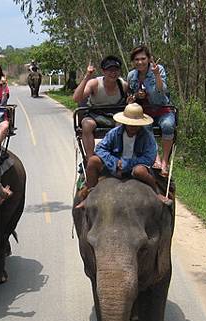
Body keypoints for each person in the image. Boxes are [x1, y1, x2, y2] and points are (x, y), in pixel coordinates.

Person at [76, 103, 171, 208]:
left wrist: (128, 163)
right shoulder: (114, 133)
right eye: (130, 124)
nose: (133, 127)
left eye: (136, 124)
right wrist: (114, 161)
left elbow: (149, 157)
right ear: (125, 123)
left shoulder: (147, 137)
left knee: (140, 171)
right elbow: (100, 149)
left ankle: (156, 192)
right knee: (93, 161)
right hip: (114, 166)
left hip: (136, 167)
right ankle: (90, 195)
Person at [126, 45, 175, 176]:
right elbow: (131, 95)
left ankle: (165, 161)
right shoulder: (131, 75)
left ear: (148, 59)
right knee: (145, 126)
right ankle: (156, 159)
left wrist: (157, 74)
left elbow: (161, 90)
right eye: (136, 59)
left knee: (168, 125)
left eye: (143, 58)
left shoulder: (158, 70)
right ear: (133, 61)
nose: (140, 62)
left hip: (162, 108)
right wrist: (136, 96)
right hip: (144, 111)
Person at [72, 56, 128, 157]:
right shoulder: (95, 83)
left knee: (123, 125)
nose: (113, 73)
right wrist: (87, 76)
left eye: (116, 70)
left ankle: (116, 156)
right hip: (95, 115)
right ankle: (90, 159)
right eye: (109, 70)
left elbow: (130, 102)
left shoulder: (123, 85)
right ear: (103, 71)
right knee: (86, 124)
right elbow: (76, 98)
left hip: (115, 117)